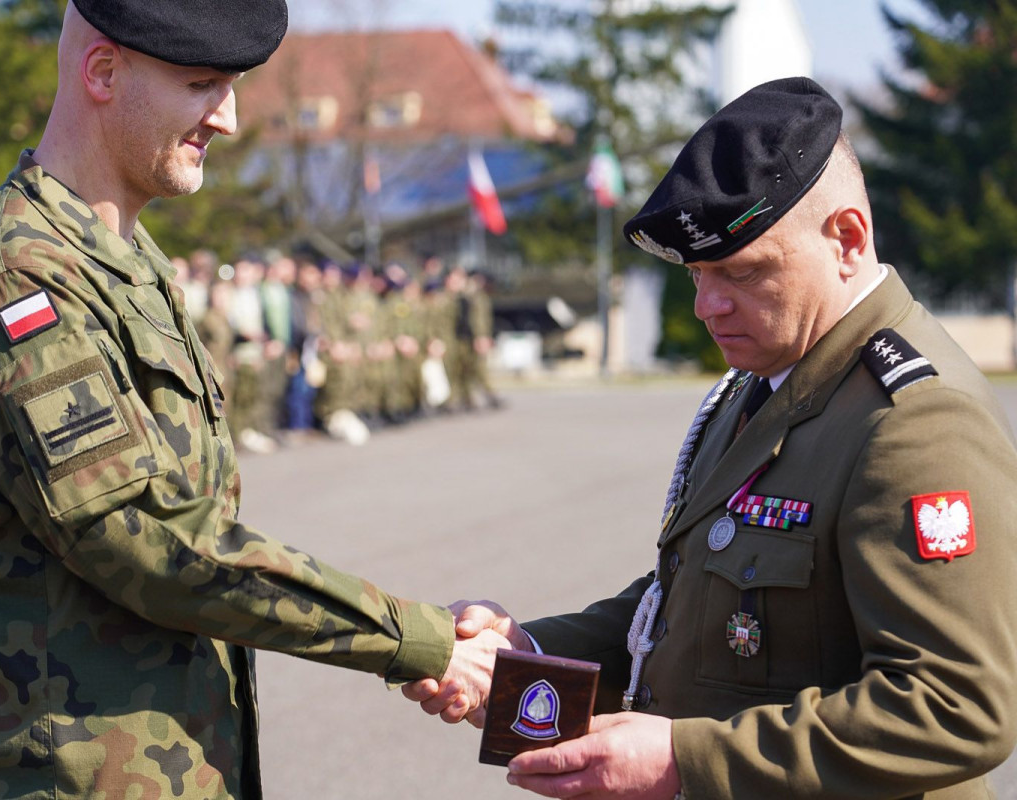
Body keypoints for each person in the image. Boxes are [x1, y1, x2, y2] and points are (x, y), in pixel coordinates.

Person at [0, 3, 504, 798]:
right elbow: (151, 539)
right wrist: (414, 639)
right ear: (103, 72)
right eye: (202, 84)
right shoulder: (17, 280)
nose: (231, 118)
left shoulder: (124, 261)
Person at [406, 77, 1017, 798]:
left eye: (740, 271)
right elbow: (689, 602)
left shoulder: (912, 421)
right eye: (697, 273)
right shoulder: (770, 377)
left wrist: (683, 760)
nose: (706, 306)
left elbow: (957, 708)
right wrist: (525, 656)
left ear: (847, 240)